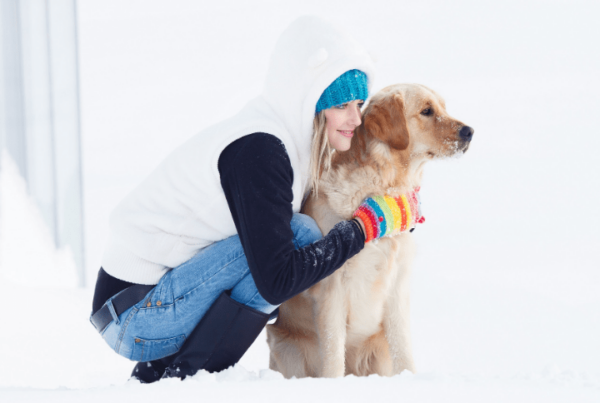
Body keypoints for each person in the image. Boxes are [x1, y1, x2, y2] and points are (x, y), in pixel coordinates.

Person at [90, 16, 378, 383]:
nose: (356, 118)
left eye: (359, 103)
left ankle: (169, 370)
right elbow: (276, 280)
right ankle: (183, 377)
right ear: (311, 101)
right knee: (300, 235)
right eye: (342, 105)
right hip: (134, 315)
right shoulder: (261, 151)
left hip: (143, 304)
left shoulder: (285, 142)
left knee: (294, 236)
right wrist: (364, 228)